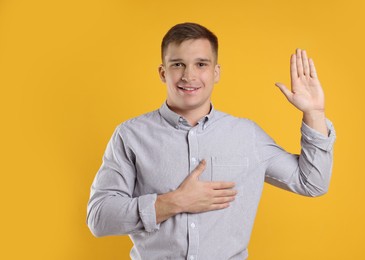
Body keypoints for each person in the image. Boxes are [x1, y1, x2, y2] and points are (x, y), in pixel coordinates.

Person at [87, 22, 336, 260]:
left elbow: (312, 183)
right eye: (177, 64)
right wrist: (174, 202)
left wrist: (314, 113)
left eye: (201, 64)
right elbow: (99, 218)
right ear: (163, 73)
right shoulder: (130, 135)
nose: (189, 75)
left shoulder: (246, 135)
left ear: (216, 73)